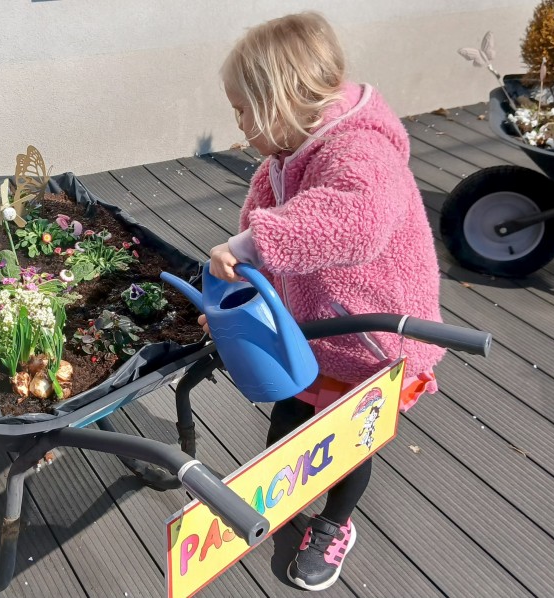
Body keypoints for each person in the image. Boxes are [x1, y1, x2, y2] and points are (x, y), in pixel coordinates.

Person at [204, 12, 445, 591]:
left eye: (242, 110)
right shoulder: (285, 157)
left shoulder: (360, 149)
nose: (237, 123)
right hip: (311, 330)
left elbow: (352, 220)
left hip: (367, 340)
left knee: (346, 446)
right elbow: (262, 228)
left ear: (281, 101)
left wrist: (249, 244)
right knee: (289, 422)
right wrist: (238, 287)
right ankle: (283, 491)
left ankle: (336, 522)